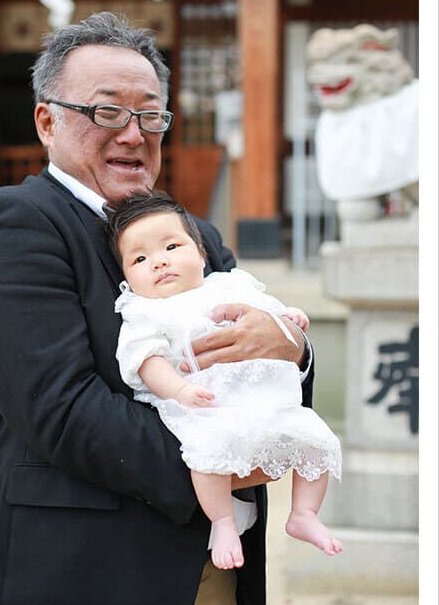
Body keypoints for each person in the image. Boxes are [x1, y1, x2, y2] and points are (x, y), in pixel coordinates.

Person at [0, 11, 314, 605]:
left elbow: (262, 348)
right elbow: (61, 408)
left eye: (151, 115)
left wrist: (293, 345)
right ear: (47, 120)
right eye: (107, 112)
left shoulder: (193, 235)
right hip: (82, 576)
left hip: (205, 573)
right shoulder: (16, 224)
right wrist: (227, 466)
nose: (133, 133)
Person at [109, 191, 342, 571]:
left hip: (267, 399)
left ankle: (304, 514)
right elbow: (146, 360)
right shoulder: (146, 312)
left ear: (201, 254)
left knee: (317, 441)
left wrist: (292, 318)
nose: (159, 262)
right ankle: (223, 522)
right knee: (208, 455)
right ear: (126, 276)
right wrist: (181, 390)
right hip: (207, 405)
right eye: (139, 258)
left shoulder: (230, 285)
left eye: (171, 246)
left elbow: (272, 314)